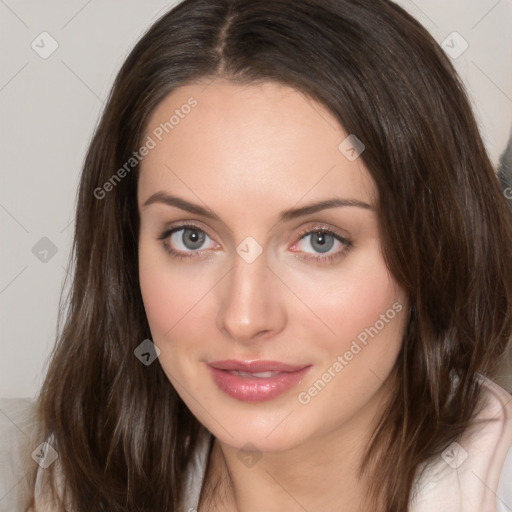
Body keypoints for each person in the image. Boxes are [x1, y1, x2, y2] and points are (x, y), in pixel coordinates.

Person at [22, 0, 512, 511]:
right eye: (191, 237)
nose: (244, 317)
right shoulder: (79, 480)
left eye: (320, 240)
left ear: (434, 248)